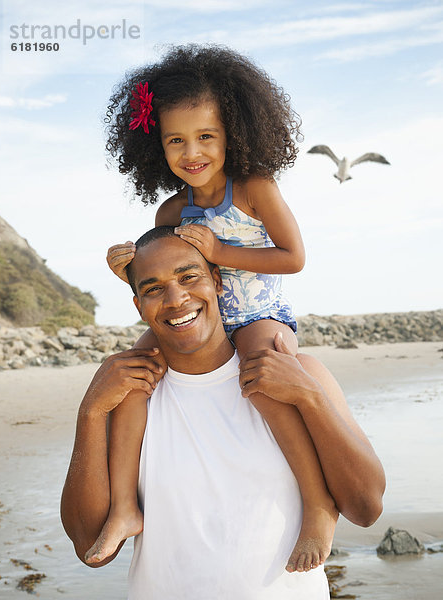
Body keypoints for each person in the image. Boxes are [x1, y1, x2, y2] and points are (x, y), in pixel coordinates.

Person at [86, 44, 360, 571]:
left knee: (263, 374)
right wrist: (128, 267)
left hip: (257, 314)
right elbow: (165, 273)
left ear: (234, 131)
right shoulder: (171, 208)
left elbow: (294, 257)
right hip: (202, 317)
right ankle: (124, 505)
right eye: (176, 140)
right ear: (156, 145)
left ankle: (319, 503)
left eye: (206, 136)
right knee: (130, 372)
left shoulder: (254, 189)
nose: (193, 150)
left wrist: (220, 252)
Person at [61, 227, 385, 599]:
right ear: (139, 306)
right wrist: (90, 412)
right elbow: (90, 546)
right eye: (153, 289)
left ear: (217, 281)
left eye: (189, 277)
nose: (176, 298)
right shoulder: (131, 397)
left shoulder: (298, 375)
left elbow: (366, 508)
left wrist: (311, 397)